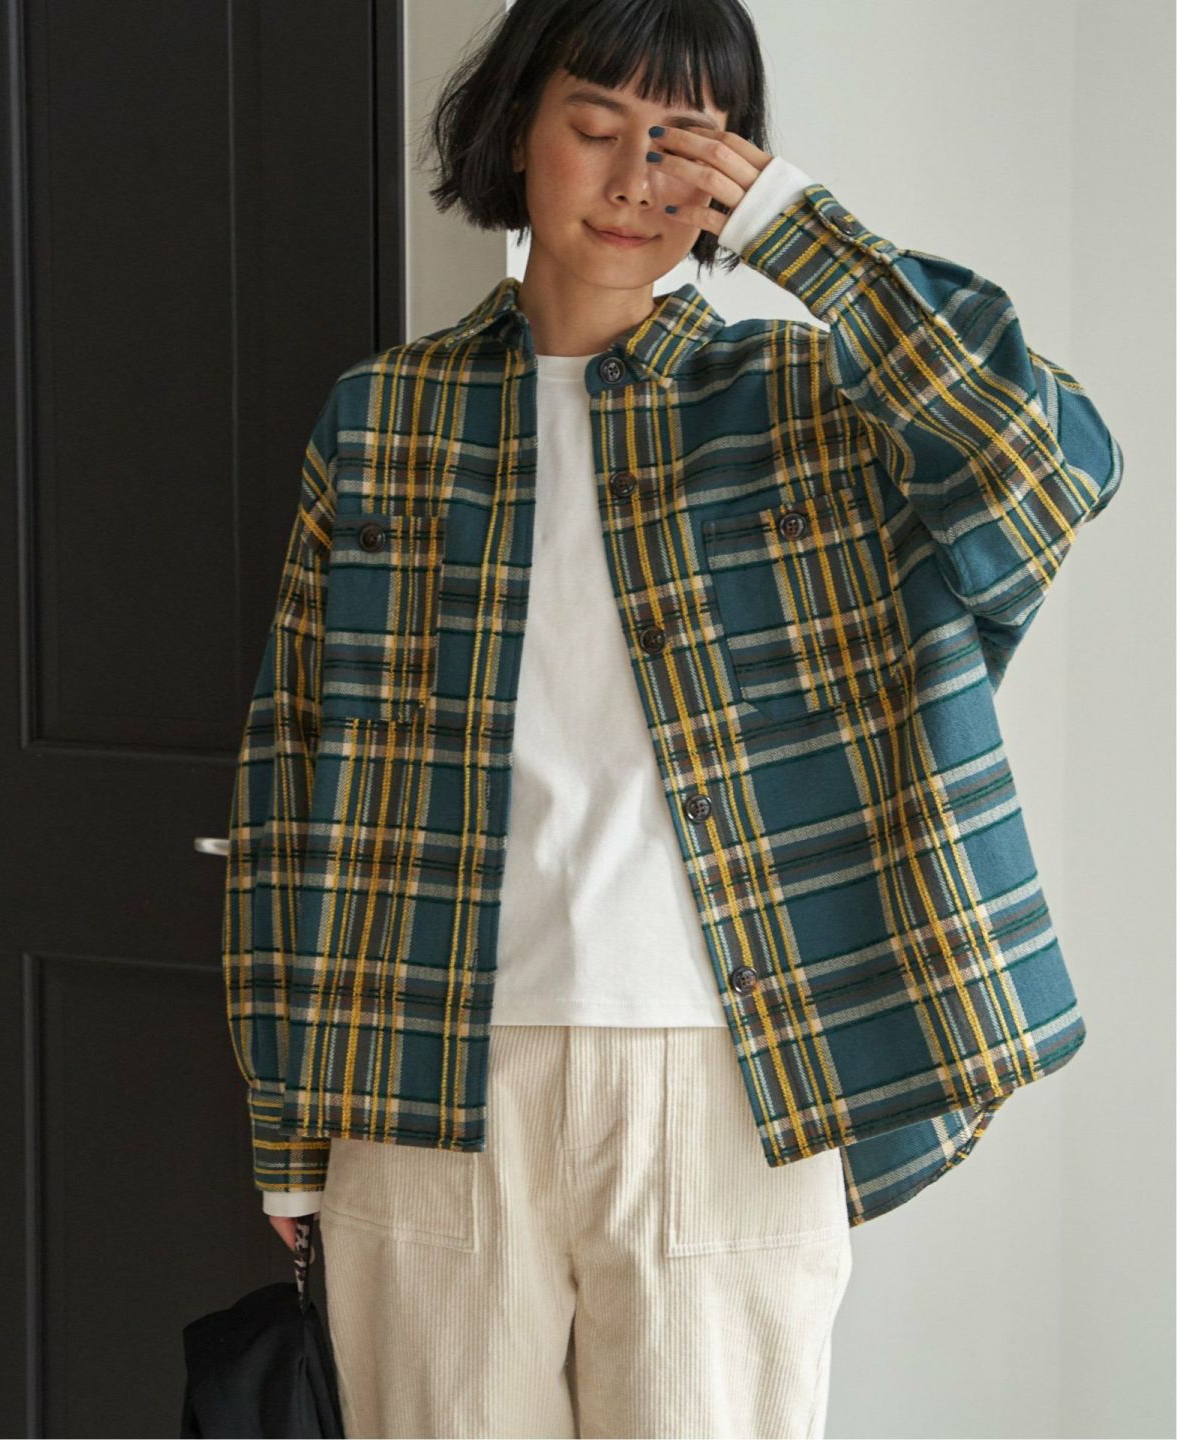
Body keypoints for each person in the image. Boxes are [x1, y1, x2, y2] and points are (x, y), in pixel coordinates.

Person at [223, 0, 1123, 1435]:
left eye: (688, 146)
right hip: (423, 1072)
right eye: (596, 127)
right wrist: (287, 1123)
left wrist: (798, 231)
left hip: (727, 1081)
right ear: (518, 132)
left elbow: (1051, 461)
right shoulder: (382, 420)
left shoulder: (804, 406)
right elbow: (289, 781)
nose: (639, 177)